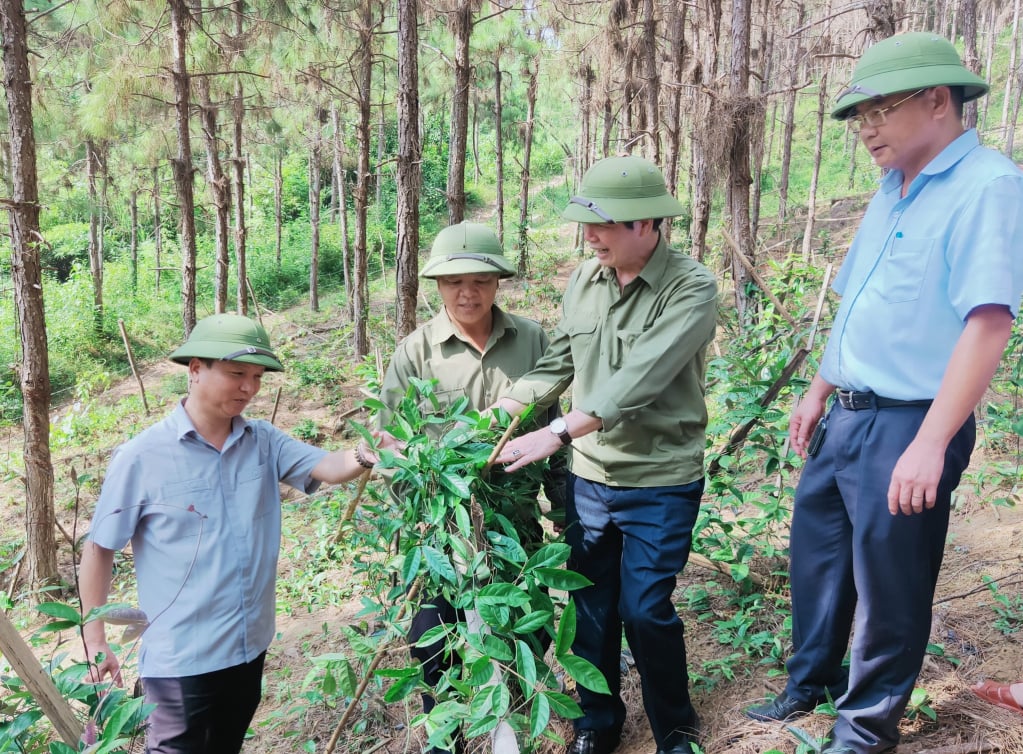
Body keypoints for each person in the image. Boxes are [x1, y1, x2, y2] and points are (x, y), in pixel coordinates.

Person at [744, 33, 1023, 754]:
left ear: (937, 100)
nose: (864, 128)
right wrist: (815, 389)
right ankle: (810, 681)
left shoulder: (986, 186)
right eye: (856, 114)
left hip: (908, 420)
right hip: (846, 411)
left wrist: (930, 441)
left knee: (889, 585)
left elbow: (987, 322)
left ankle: (865, 729)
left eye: (877, 110)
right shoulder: (890, 189)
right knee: (818, 558)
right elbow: (856, 304)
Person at [79, 313, 390, 754]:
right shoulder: (142, 457)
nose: (249, 388)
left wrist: (365, 451)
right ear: (195, 369)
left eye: (257, 376)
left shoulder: (263, 441)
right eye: (236, 373)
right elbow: (99, 549)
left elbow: (327, 466)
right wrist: (95, 640)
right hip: (180, 661)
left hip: (248, 647)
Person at [493, 155, 717, 754]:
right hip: (591, 480)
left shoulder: (691, 288)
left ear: (646, 223)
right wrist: (509, 408)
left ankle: (673, 725)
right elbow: (561, 359)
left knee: (644, 609)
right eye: (585, 225)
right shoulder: (584, 280)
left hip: (660, 479)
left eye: (603, 224)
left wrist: (558, 432)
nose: (589, 237)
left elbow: (640, 379)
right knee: (590, 610)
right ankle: (598, 723)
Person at [380, 221, 566, 754]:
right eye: (455, 281)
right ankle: (447, 739)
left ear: (498, 282)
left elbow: (555, 429)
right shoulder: (415, 352)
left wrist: (565, 508)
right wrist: (410, 506)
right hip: (441, 531)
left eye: (481, 280)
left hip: (517, 527)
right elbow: (393, 440)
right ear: (437, 285)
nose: (468, 292)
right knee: (432, 640)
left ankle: (510, 729)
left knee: (523, 634)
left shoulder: (532, 340)